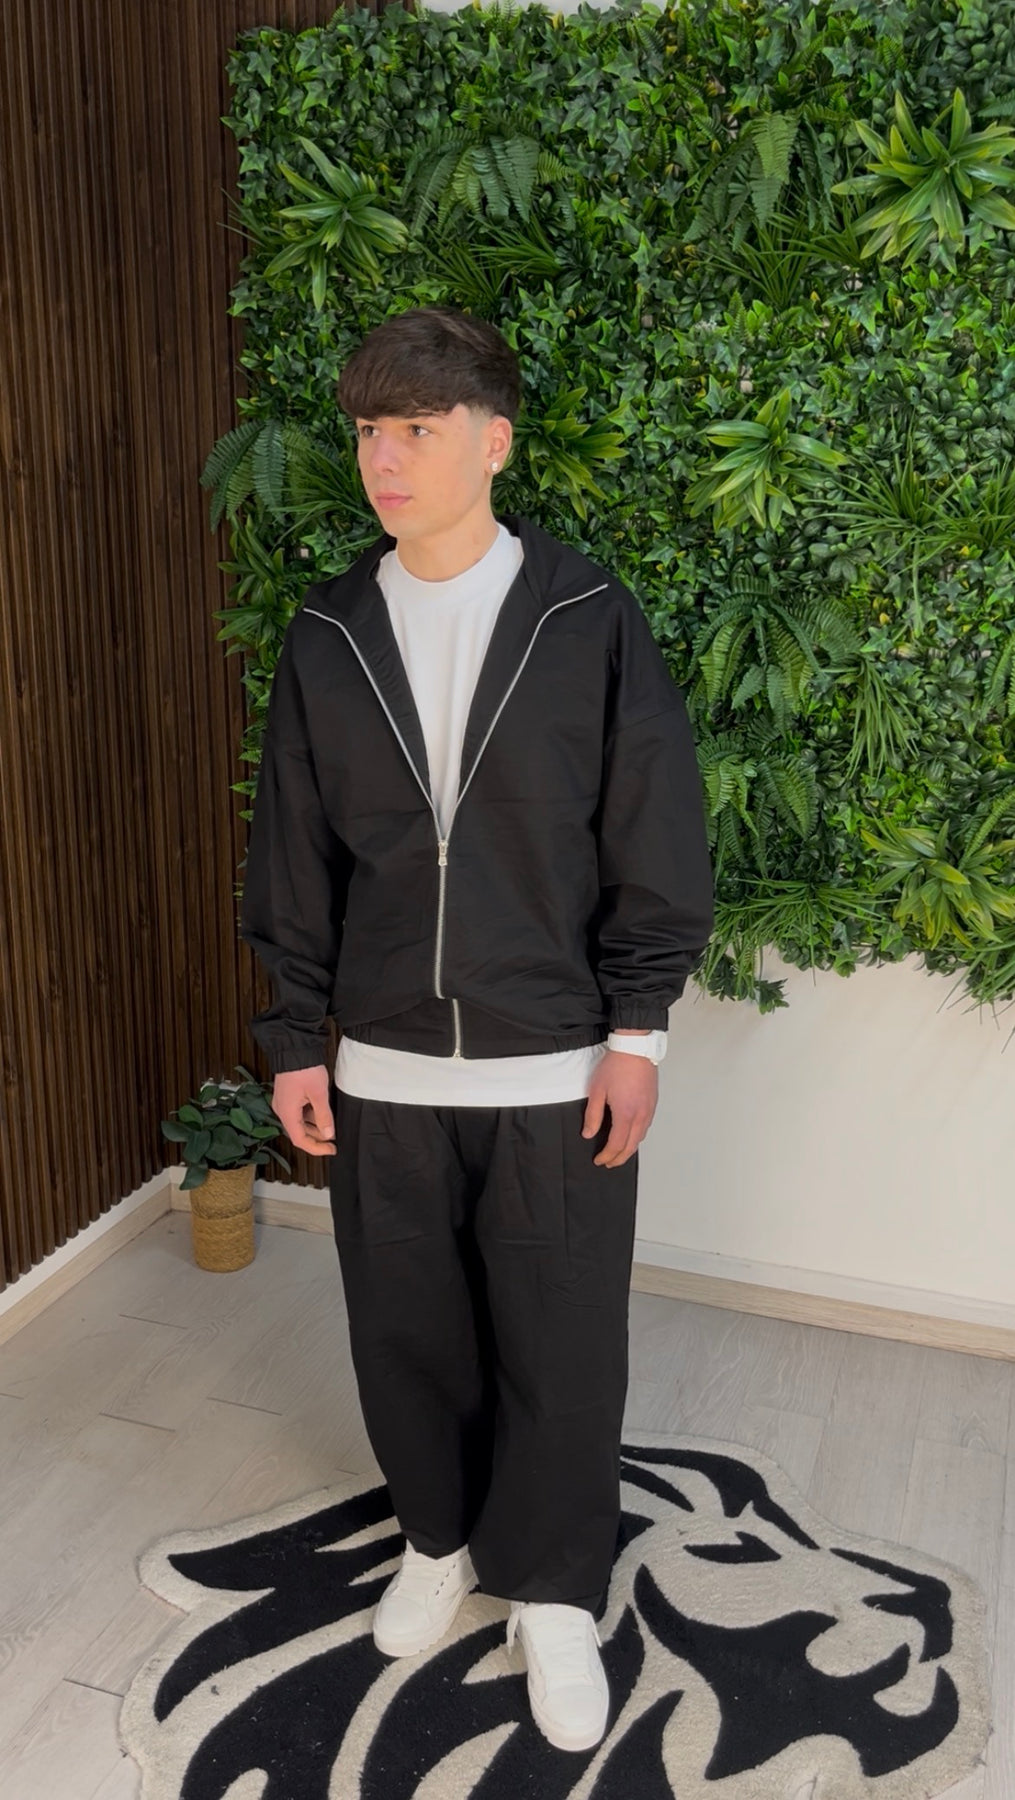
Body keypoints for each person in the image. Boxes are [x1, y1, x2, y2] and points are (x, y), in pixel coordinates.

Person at [238, 305, 714, 1754]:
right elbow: (292, 852)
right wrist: (295, 1036)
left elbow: (651, 832)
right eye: (367, 431)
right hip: (380, 1061)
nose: (383, 458)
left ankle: (553, 1590)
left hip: (554, 1060)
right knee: (409, 1333)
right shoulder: (328, 633)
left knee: (559, 1345)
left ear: (491, 441)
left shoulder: (587, 618)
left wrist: (639, 1033)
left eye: (416, 428)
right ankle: (436, 1539)